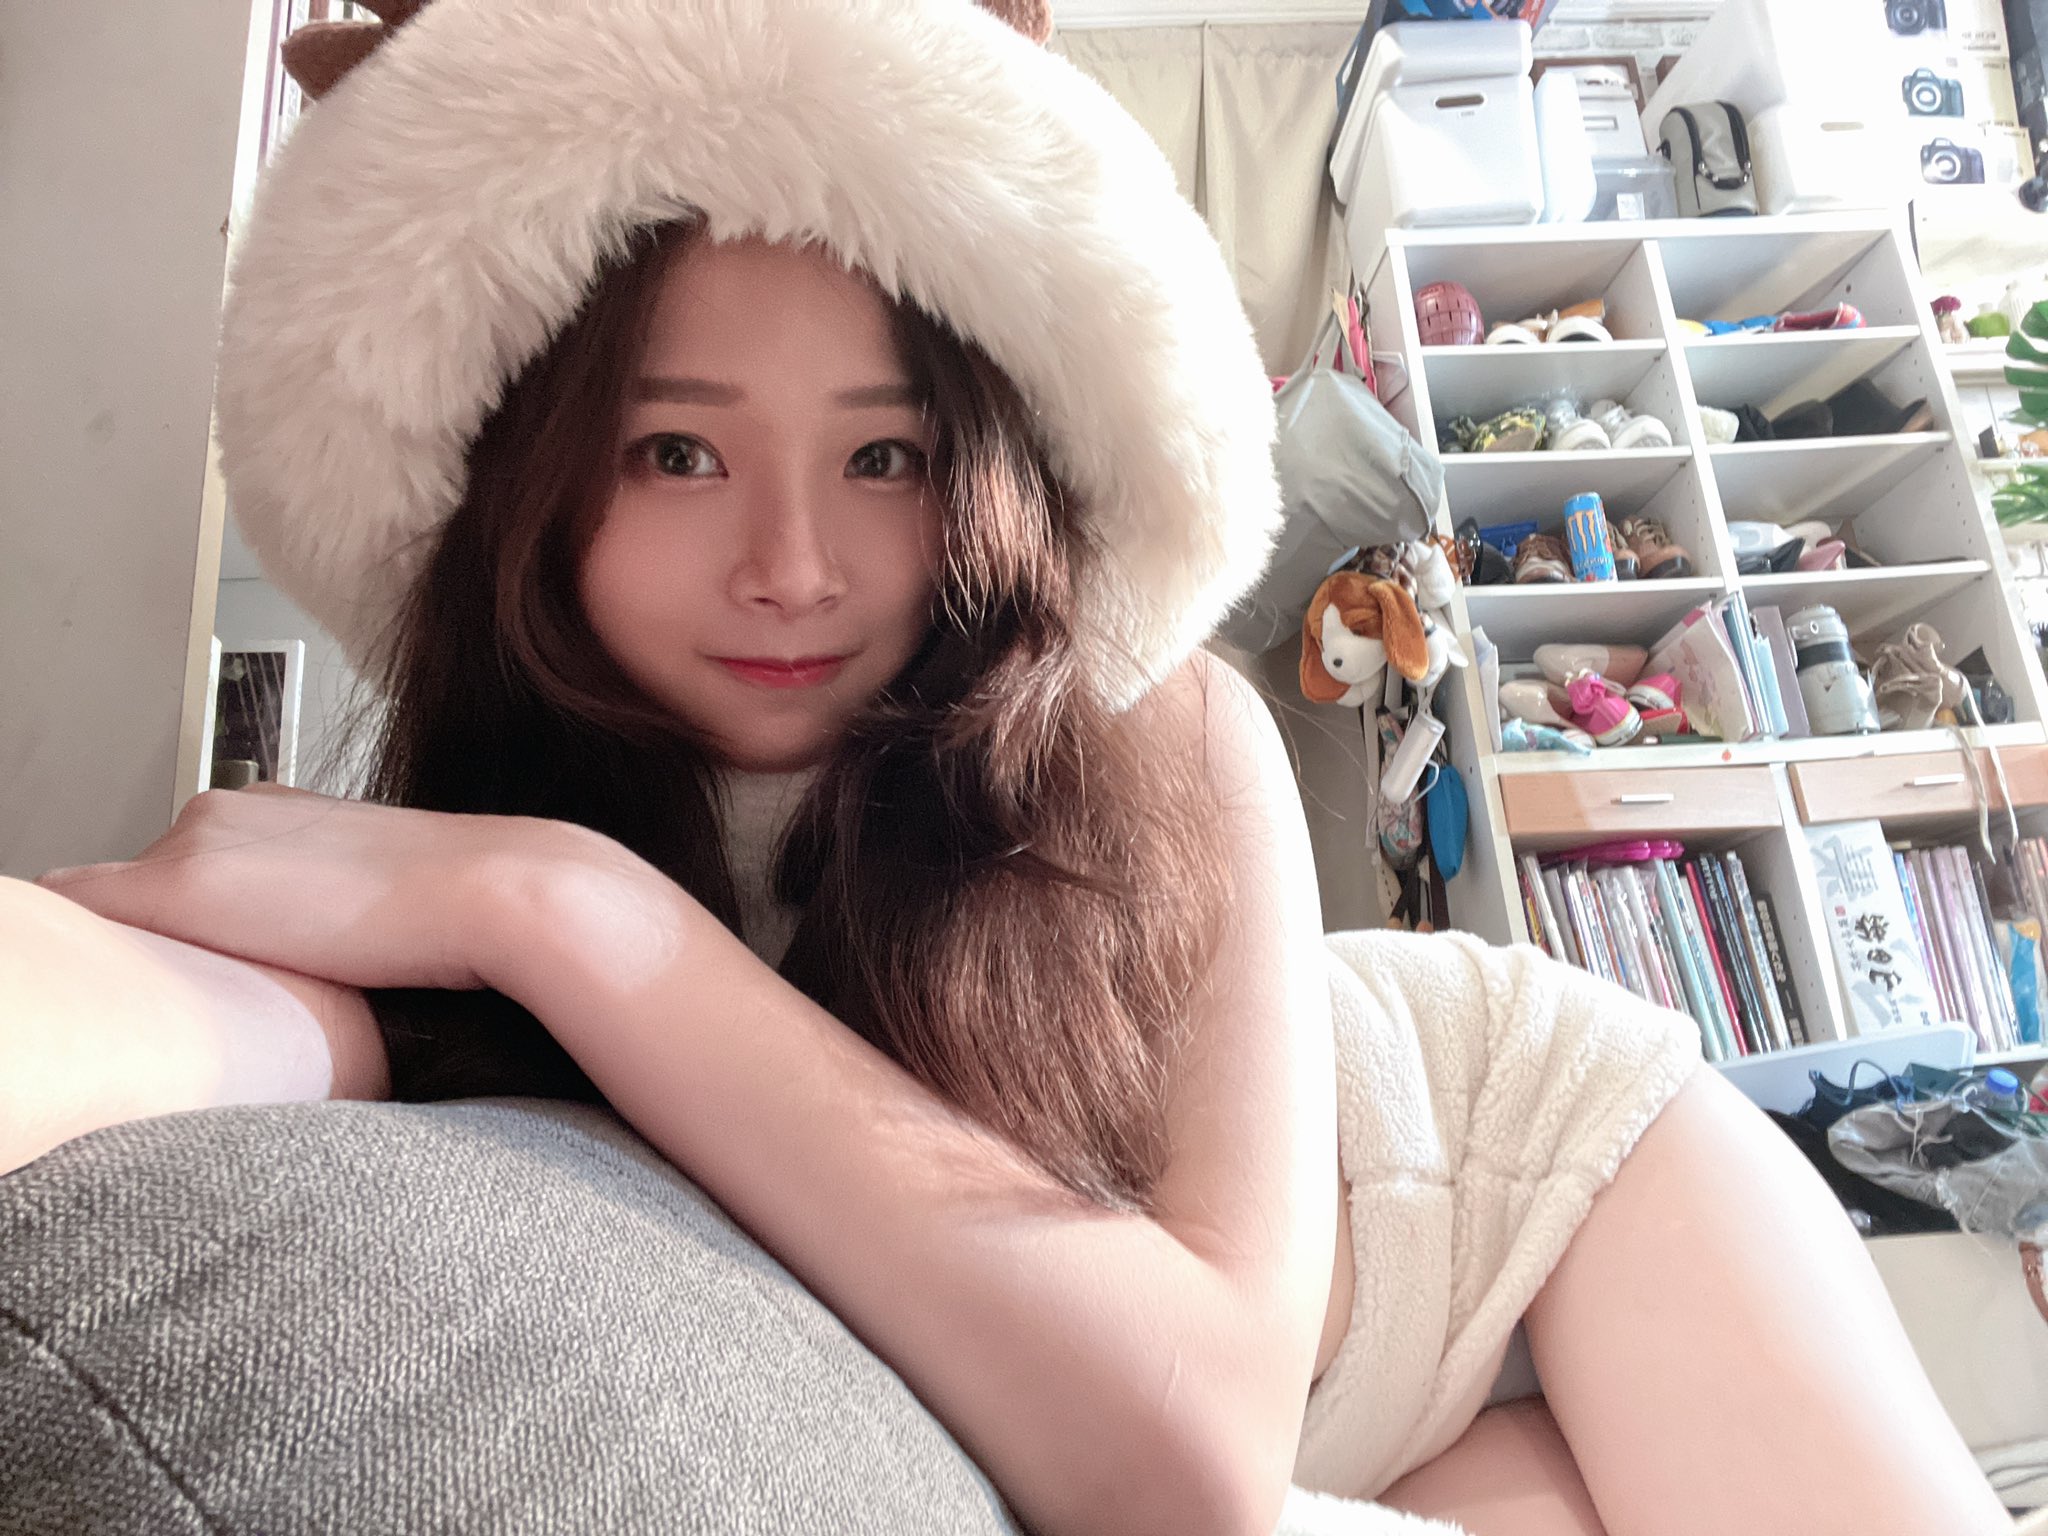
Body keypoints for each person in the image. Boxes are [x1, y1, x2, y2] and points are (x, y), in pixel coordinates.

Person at [4, 2, 2011, 1533]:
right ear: (527, 489)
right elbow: (120, 1013)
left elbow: (1195, 1462)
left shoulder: (1154, 723)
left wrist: (569, 913)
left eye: (885, 456)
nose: (794, 566)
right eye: (676, 452)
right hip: (1294, 1406)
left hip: (1511, 1198)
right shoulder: (442, 850)